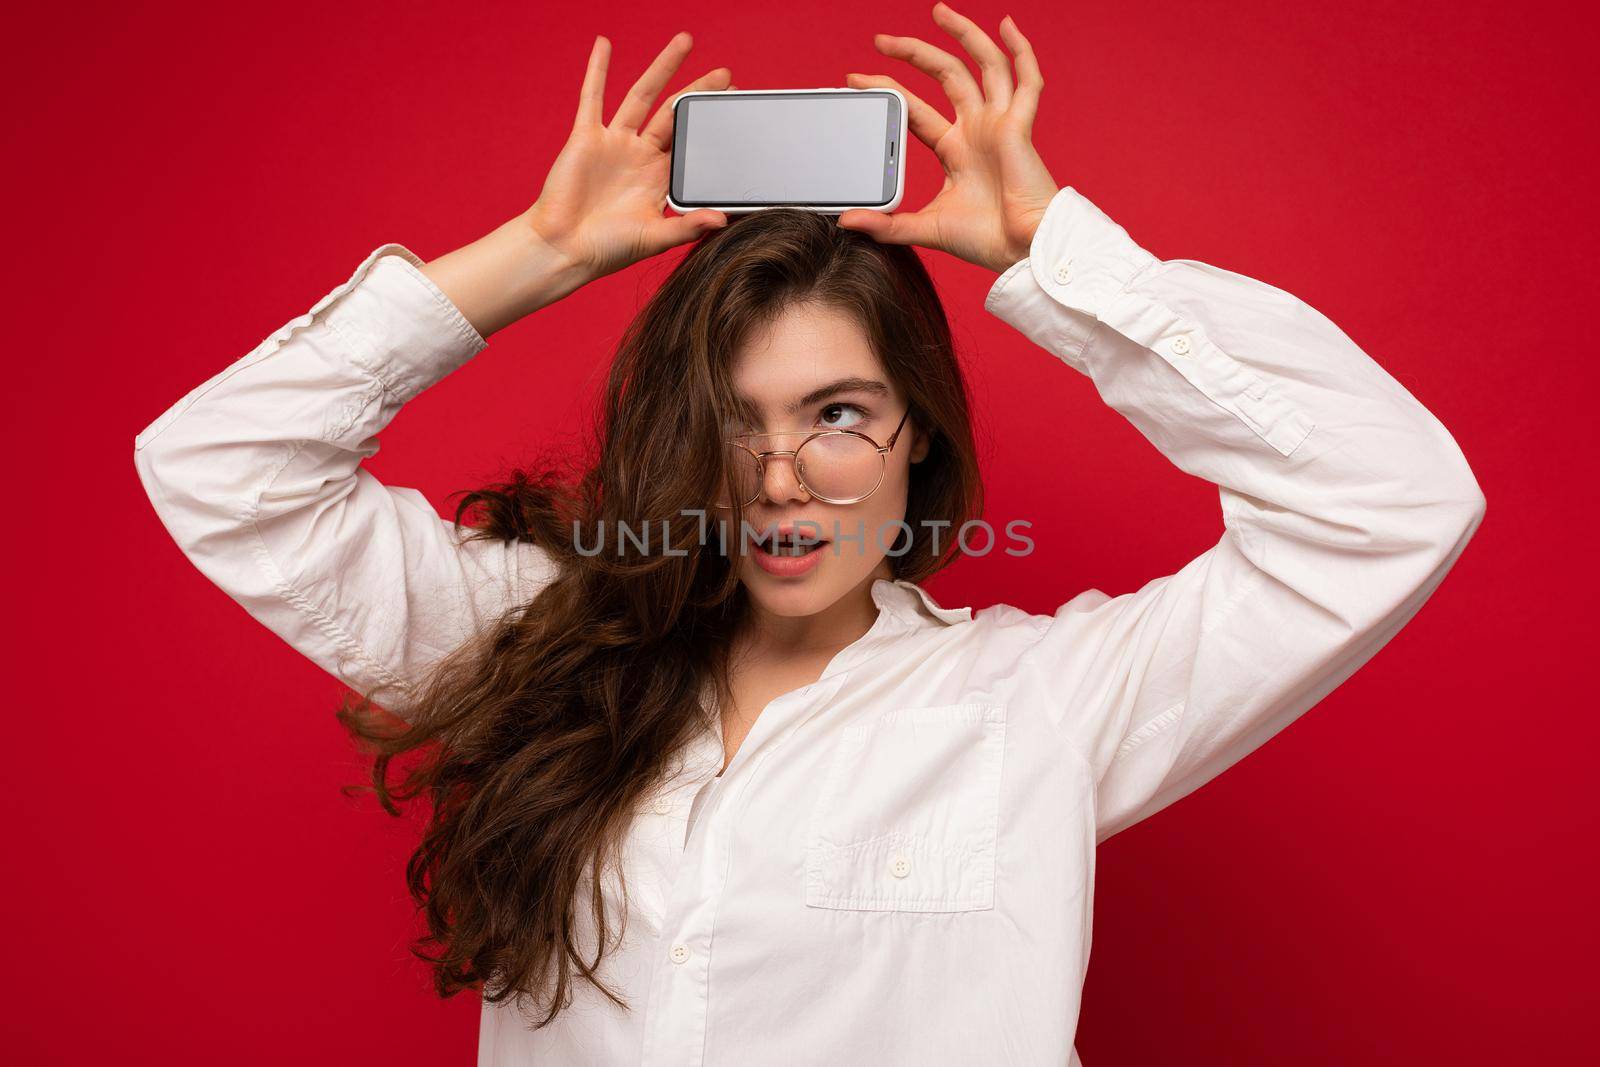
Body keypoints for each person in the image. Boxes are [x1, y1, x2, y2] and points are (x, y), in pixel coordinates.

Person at [131, 5, 1485, 1065]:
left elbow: (1392, 504)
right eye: (736, 416)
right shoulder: (530, 644)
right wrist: (540, 252)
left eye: (840, 411)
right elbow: (219, 468)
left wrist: (1051, 258)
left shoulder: (1046, 702)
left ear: (920, 440)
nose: (784, 476)